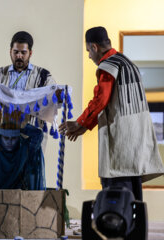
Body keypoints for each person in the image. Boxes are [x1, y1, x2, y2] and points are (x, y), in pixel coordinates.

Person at [59, 26, 164, 201]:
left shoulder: (109, 66)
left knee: (117, 199)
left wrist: (80, 122)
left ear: (94, 47)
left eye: (88, 51)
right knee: (134, 196)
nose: (89, 56)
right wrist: (85, 127)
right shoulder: (128, 63)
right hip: (136, 142)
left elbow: (101, 99)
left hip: (121, 142)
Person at [0, 31, 56, 153]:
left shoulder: (43, 76)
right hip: (3, 135)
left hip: (29, 138)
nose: (19, 56)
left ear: (30, 53)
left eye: (23, 52)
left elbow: (54, 95)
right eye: (16, 52)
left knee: (28, 171)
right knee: (1, 171)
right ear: (10, 52)